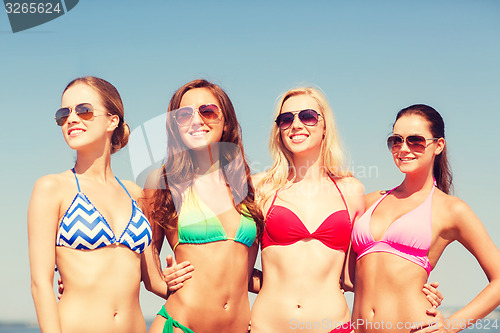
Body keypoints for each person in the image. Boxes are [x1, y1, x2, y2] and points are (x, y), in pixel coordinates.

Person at [349, 104, 500, 332]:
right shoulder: (370, 201)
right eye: (396, 141)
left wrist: (450, 326)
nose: (403, 148)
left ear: (438, 146)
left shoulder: (450, 209)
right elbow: (345, 277)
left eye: (415, 141)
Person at [28, 76, 160, 333]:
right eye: (63, 114)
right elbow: (40, 284)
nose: (72, 119)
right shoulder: (52, 188)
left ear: (113, 120)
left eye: (84, 110)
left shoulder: (136, 194)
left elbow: (154, 281)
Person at [142, 79, 264, 333]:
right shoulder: (163, 181)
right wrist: (166, 283)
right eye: (184, 115)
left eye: (207, 111)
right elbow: (148, 260)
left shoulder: (248, 187)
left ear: (226, 120)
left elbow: (241, 270)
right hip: (180, 326)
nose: (197, 120)